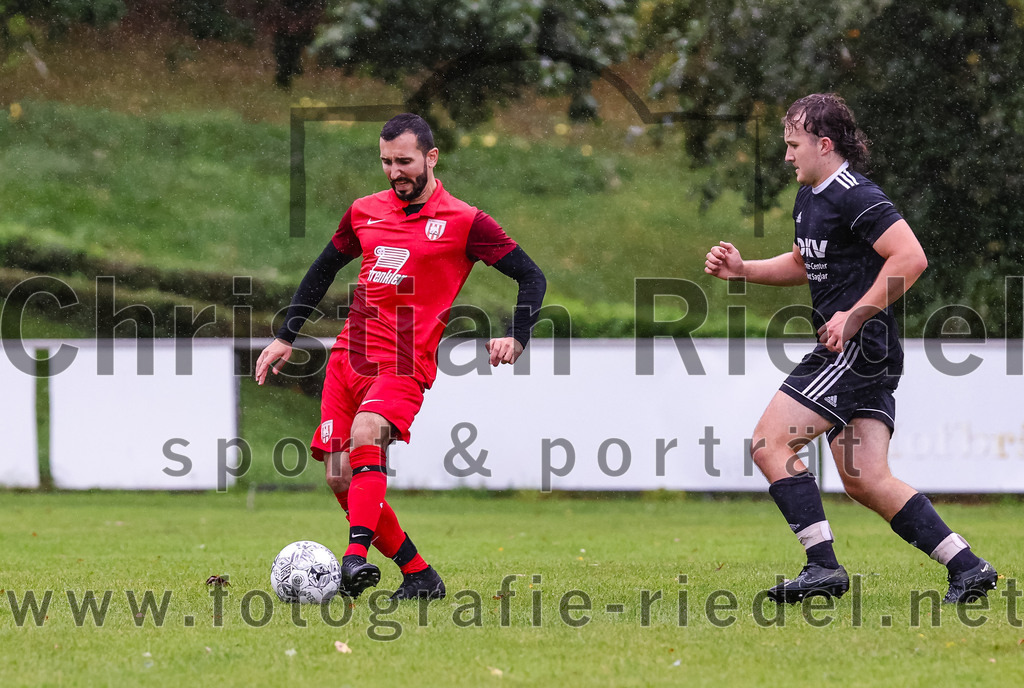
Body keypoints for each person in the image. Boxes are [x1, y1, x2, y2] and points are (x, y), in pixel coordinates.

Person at [704, 93, 997, 605]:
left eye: (793, 145)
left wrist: (854, 314)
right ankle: (968, 567)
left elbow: (911, 256)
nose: (787, 156)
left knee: (769, 443)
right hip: (866, 349)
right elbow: (802, 262)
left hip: (857, 348)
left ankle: (822, 567)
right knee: (866, 479)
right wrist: (745, 270)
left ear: (823, 143)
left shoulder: (852, 193)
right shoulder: (812, 196)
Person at [256, 113, 546, 600]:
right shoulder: (364, 211)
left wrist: (516, 336)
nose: (395, 172)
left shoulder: (465, 222)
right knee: (339, 477)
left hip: (405, 363)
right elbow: (323, 268)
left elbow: (531, 276)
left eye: (405, 161)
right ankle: (420, 575)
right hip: (350, 356)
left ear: (431, 158)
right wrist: (286, 334)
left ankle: (353, 561)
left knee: (368, 431)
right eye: (387, 162)